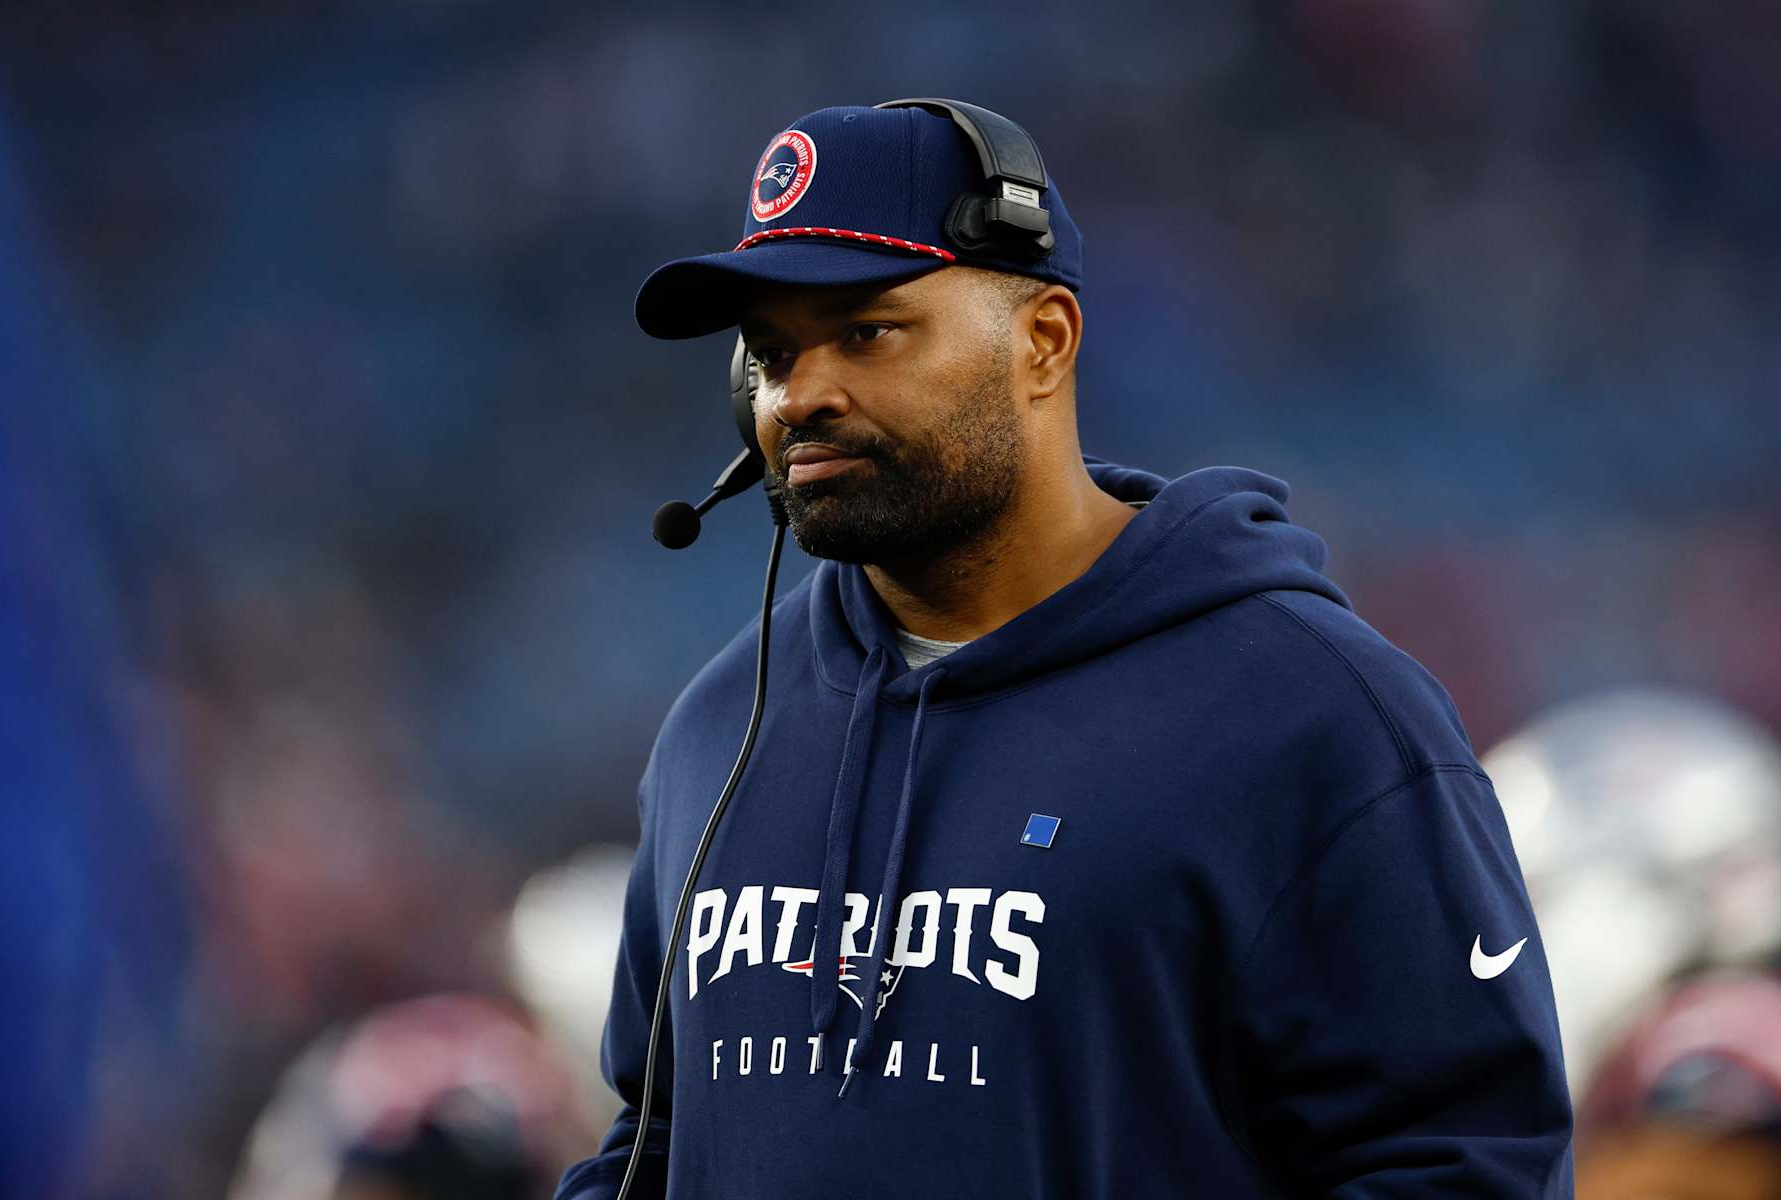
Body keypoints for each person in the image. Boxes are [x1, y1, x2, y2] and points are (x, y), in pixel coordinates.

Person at [554, 101, 1575, 1199]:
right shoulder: (720, 727)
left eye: (867, 331)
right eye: (770, 353)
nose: (801, 395)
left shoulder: (1318, 717)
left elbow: (1469, 1167)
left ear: (1043, 341)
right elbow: (657, 1144)